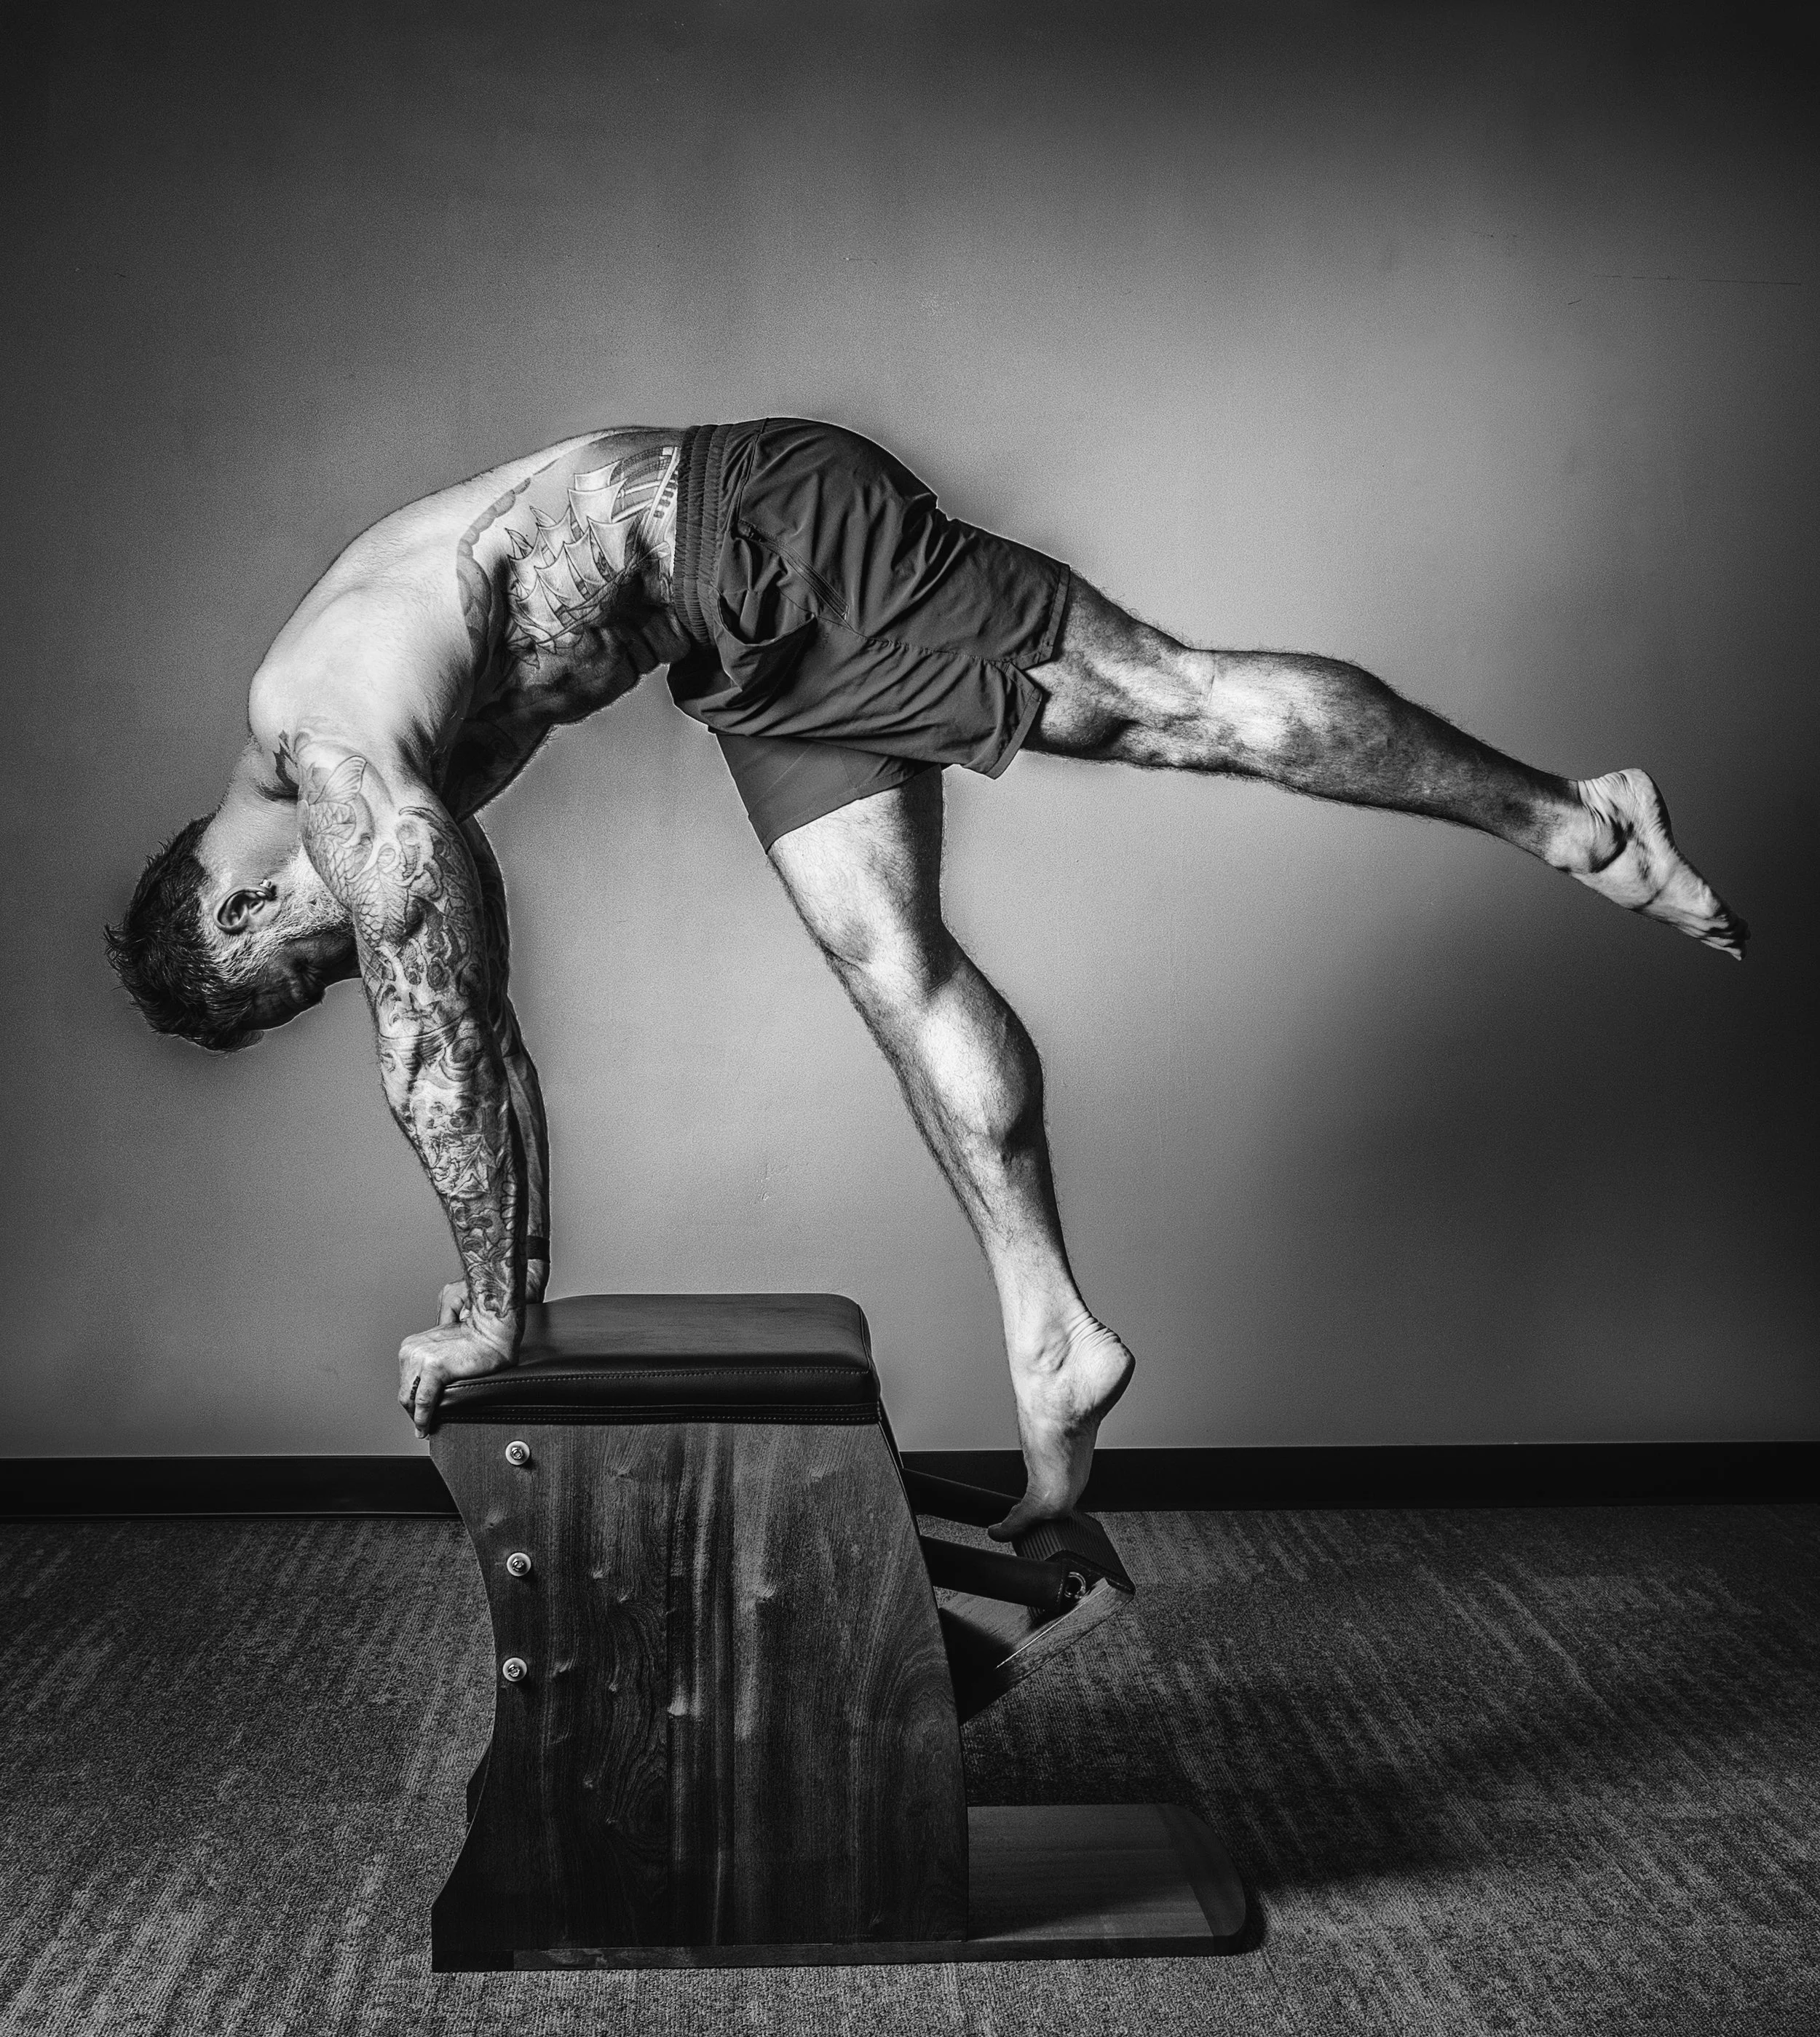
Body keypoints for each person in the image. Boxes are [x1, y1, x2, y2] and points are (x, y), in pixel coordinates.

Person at [106, 419, 1746, 1537]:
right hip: (729, 633)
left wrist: (484, 1316)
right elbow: (482, 1023)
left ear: (242, 911)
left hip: (758, 527)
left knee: (1169, 705)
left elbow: (441, 1045)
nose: (331, 978)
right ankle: (1052, 1332)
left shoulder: (325, 730)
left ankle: (1578, 823)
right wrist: (502, 1301)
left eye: (293, 983)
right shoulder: (353, 750)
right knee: (886, 962)